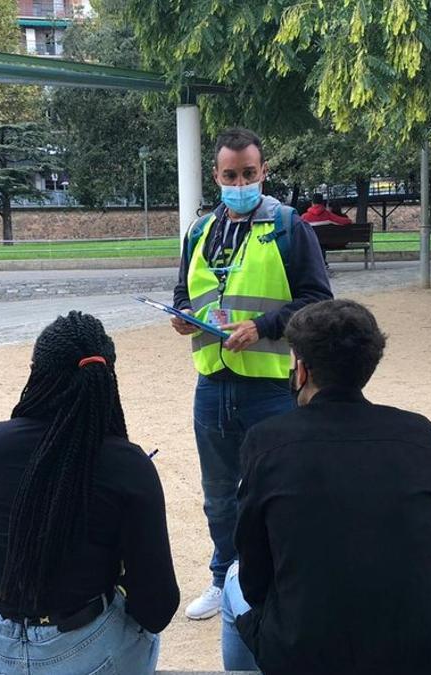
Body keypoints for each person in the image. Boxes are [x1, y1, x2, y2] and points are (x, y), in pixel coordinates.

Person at [221, 299, 431, 675]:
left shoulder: (266, 441)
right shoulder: (418, 435)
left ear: (300, 368)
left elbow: (254, 577)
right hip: (429, 652)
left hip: (305, 652)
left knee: (230, 579)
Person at [172, 127, 333, 620]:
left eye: (248, 173)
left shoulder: (289, 226)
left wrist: (262, 326)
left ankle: (280, 583)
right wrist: (181, 315)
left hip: (268, 389)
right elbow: (184, 291)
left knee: (276, 491)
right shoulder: (200, 231)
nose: (239, 181)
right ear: (216, 176)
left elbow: (318, 301)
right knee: (218, 497)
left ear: (263, 172)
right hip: (211, 384)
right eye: (229, 175)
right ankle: (224, 578)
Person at [0, 311, 180, 674]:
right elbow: (157, 608)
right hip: (84, 651)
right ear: (106, 378)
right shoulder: (126, 465)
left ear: (35, 370)